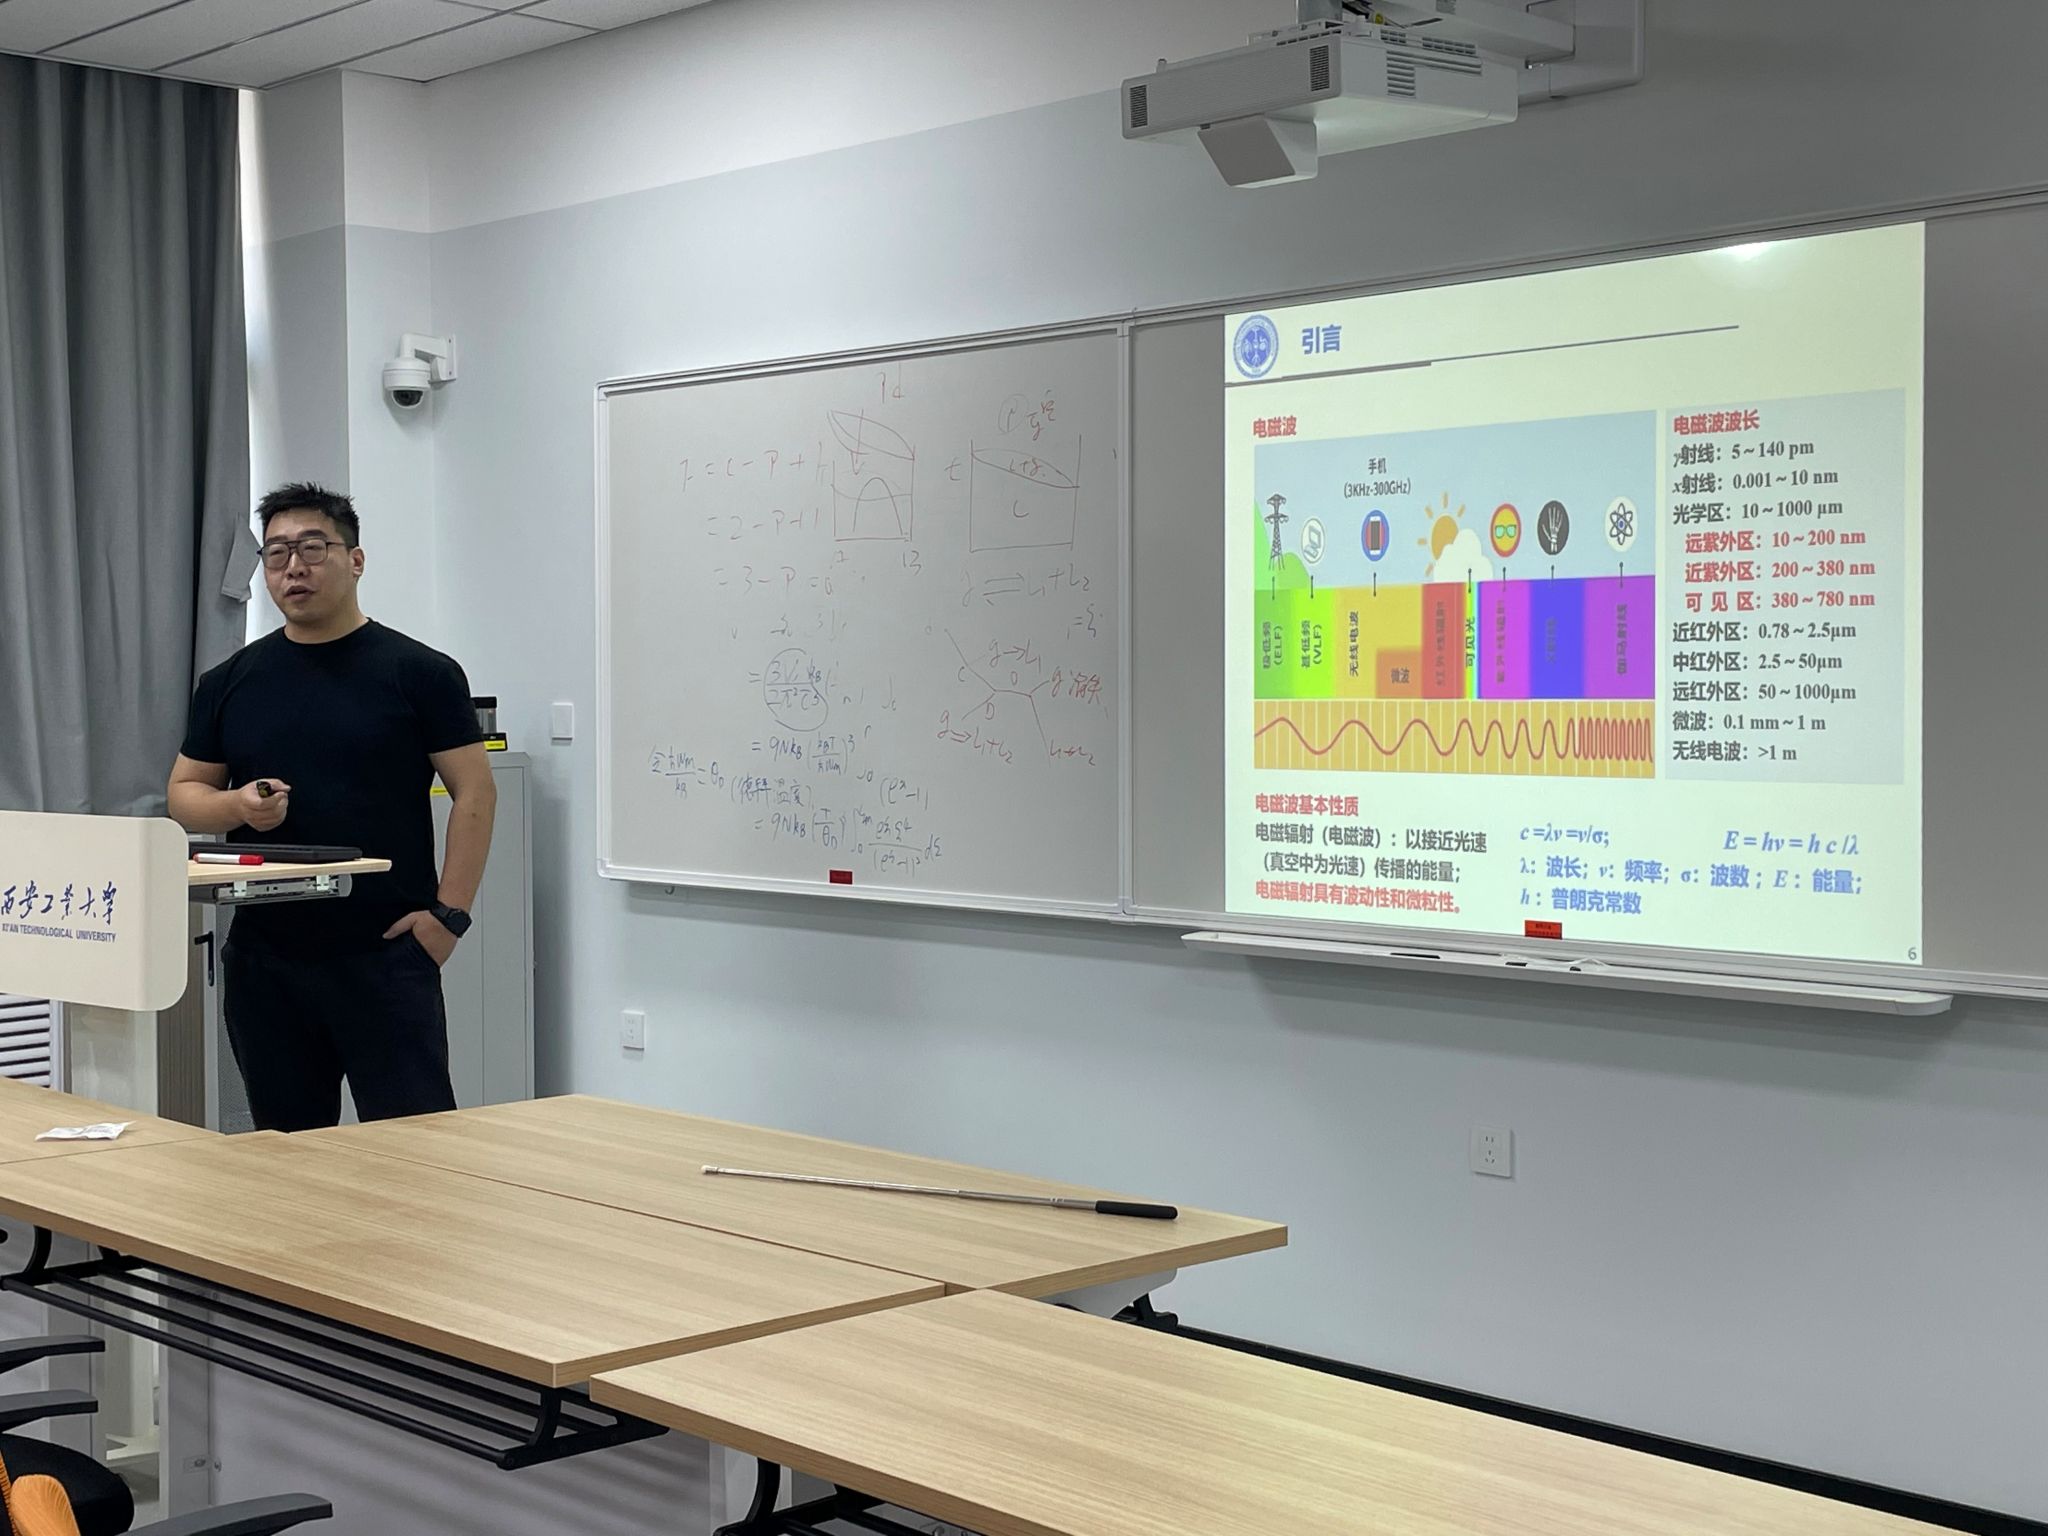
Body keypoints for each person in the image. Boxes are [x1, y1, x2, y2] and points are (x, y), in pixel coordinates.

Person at [167, 483, 497, 1131]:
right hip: (266, 958)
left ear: (356, 559)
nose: (294, 567)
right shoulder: (229, 683)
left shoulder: (421, 673)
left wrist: (448, 918)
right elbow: (184, 796)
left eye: (313, 548)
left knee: (415, 1149)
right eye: (277, 553)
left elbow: (476, 792)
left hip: (387, 953)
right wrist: (237, 804)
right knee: (287, 1153)